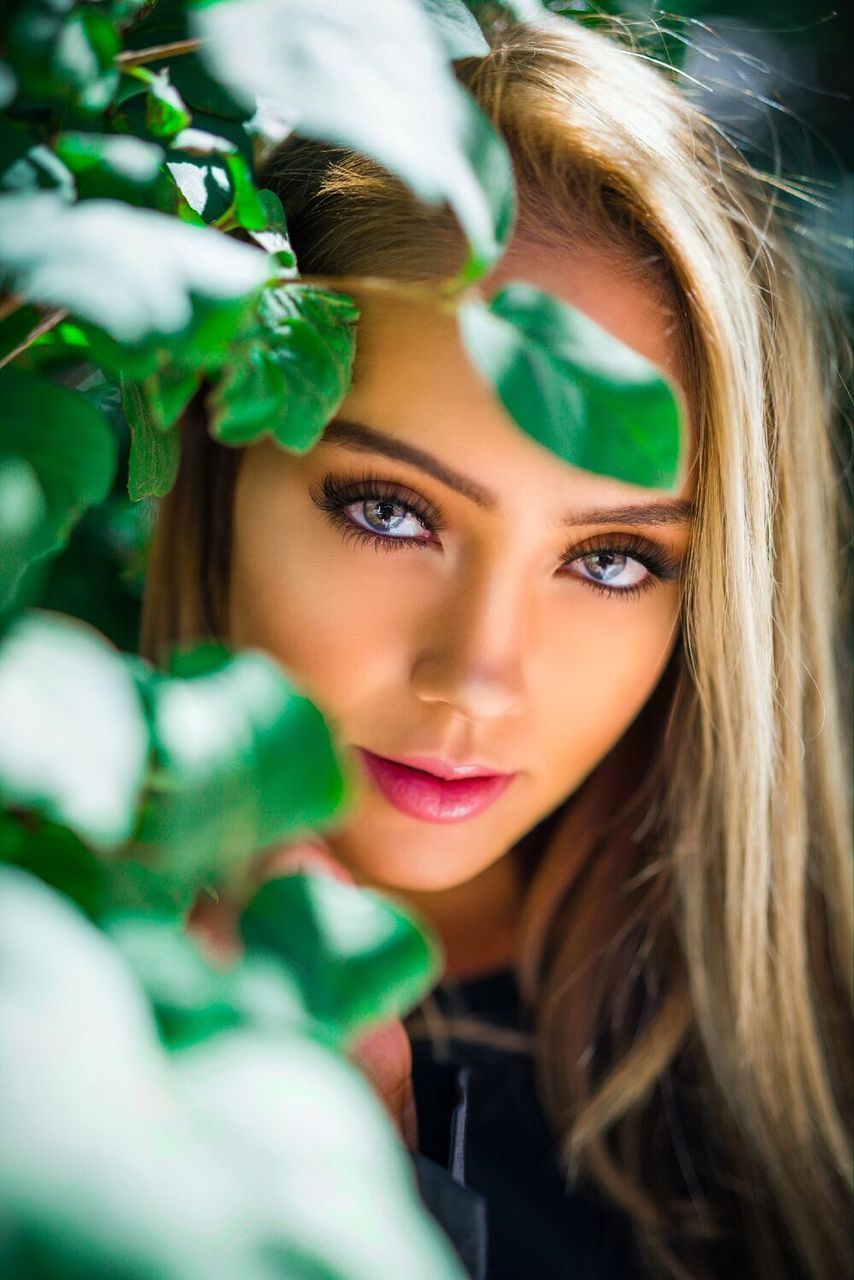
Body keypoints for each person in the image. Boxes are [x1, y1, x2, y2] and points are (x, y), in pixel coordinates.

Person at [139, 12, 852, 1280]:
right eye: (388, 511)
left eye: (609, 558)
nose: (476, 673)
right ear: (220, 454)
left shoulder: (817, 1087)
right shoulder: (62, 991)